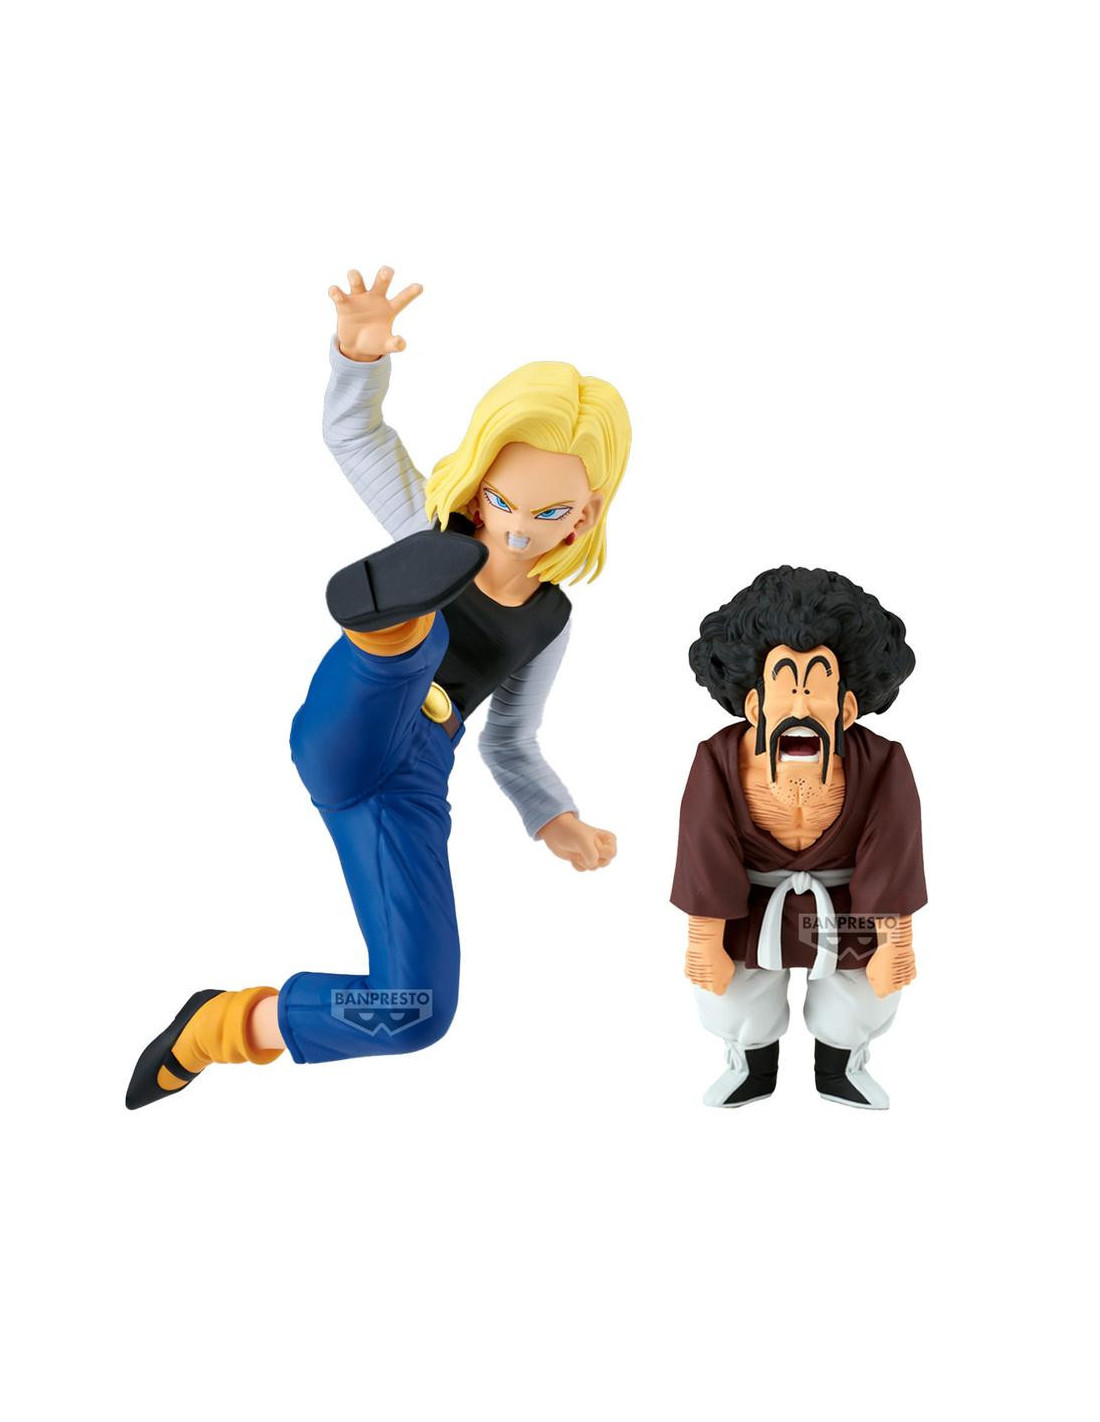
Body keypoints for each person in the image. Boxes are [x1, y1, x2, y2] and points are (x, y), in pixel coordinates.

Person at [127, 265, 630, 1108]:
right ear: (478, 484)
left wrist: (557, 818)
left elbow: (511, 739)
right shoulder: (431, 528)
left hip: (413, 778)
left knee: (415, 1010)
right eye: (502, 500)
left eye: (547, 513)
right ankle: (386, 625)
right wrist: (358, 357)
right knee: (419, 622)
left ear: (586, 514)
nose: (515, 526)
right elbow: (356, 436)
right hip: (353, 721)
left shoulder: (550, 620)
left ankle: (214, 1027)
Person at [672, 566, 926, 1111]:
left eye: (817, 688)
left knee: (858, 997)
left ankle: (840, 1069)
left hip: (846, 904)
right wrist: (702, 940)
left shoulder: (882, 763)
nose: (801, 708)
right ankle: (751, 1067)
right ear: (755, 705)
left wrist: (895, 944)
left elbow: (892, 857)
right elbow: (704, 853)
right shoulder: (717, 760)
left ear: (848, 708)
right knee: (735, 996)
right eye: (787, 687)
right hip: (750, 902)